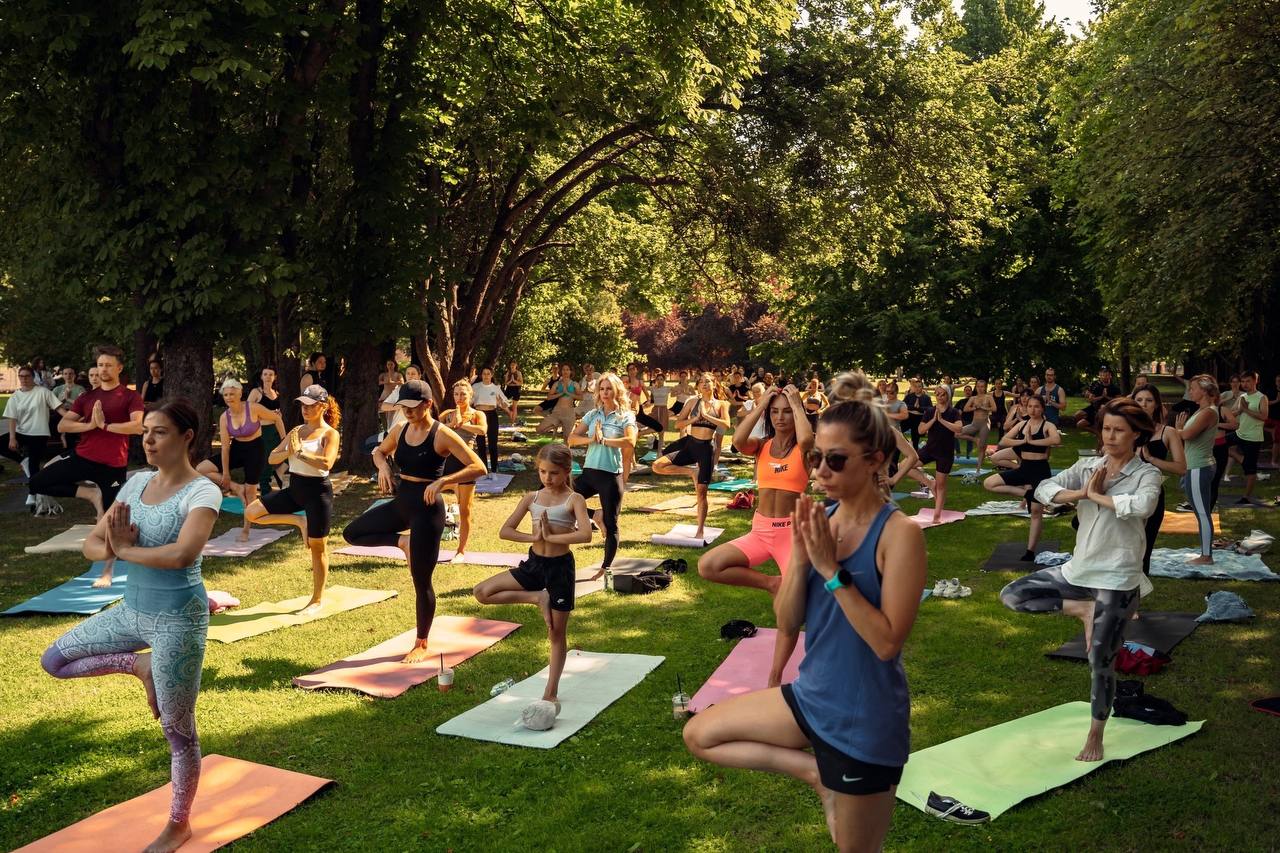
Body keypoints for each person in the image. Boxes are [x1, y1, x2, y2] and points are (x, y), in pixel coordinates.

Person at [683, 398, 926, 849]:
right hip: (811, 695)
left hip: (863, 718)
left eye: (834, 461)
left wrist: (831, 572)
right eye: (816, 459)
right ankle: (816, 773)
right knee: (700, 733)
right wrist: (798, 563)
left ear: (876, 460)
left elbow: (887, 642)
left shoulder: (900, 534)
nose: (819, 473)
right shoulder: (822, 521)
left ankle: (834, 777)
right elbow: (789, 618)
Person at [40, 398, 221, 853]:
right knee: (55, 660)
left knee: (178, 731)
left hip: (179, 619)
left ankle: (179, 824)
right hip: (131, 610)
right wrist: (114, 547)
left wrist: (123, 551)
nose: (149, 440)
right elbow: (92, 545)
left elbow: (182, 554)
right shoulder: (135, 483)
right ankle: (137, 667)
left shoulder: (203, 493)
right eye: (146, 432)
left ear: (186, 437)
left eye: (159, 432)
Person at [1000, 398, 1160, 762]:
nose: (1110, 436)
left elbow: (1141, 507)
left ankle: (1095, 733)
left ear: (1136, 434)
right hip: (1078, 571)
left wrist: (1098, 496)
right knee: (1014, 594)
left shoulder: (1147, 474)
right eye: (1106, 428)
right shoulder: (1089, 465)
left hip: (1117, 579)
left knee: (1101, 661)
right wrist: (1079, 494)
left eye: (1119, 430)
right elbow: (1043, 489)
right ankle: (1084, 609)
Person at [343, 380, 485, 662]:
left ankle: (421, 642)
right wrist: (383, 466)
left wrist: (444, 481)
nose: (406, 412)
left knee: (421, 580)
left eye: (412, 406)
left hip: (428, 510)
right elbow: (379, 451)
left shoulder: (442, 434)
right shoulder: (400, 429)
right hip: (402, 503)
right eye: (403, 406)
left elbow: (477, 466)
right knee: (352, 533)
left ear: (427, 404)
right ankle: (401, 541)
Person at [699, 384, 814, 684]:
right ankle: (771, 584)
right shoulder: (761, 446)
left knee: (789, 613)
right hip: (761, 531)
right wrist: (762, 403)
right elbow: (737, 439)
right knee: (708, 565)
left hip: (792, 534)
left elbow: (807, 438)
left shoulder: (805, 449)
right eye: (775, 412)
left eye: (786, 412)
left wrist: (798, 405)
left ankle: (775, 677)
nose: (780, 417)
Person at [473, 443, 593, 709]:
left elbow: (586, 534)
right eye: (542, 472)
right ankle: (537, 598)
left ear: (566, 472)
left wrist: (554, 536)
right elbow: (506, 530)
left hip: (560, 569)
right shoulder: (531, 498)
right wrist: (535, 537)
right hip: (534, 565)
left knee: (555, 634)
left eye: (553, 473)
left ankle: (551, 690)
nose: (547, 478)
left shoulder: (574, 499)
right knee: (482, 592)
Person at [244, 385, 341, 611]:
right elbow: (271, 458)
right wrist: (289, 451)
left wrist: (299, 453)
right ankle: (299, 521)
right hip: (295, 487)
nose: (305, 409)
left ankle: (316, 599)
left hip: (318, 493)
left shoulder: (330, 434)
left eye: (311, 405)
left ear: (323, 406)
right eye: (303, 405)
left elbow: (327, 463)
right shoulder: (296, 431)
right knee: (252, 512)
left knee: (318, 548)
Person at [33, 345, 144, 518]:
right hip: (84, 458)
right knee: (37, 483)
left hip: (113, 465)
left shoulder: (131, 396)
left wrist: (105, 426)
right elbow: (62, 425)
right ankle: (91, 494)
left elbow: (137, 426)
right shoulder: (86, 398)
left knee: (110, 519)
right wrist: (90, 425)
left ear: (119, 368)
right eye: (100, 365)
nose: (103, 369)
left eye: (108, 365)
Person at [195, 379, 285, 541]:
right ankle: (237, 488)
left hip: (255, 450)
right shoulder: (224, 417)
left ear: (240, 394)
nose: (229, 397)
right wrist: (227, 475)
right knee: (201, 469)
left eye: (232, 394)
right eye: (226, 394)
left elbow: (276, 418)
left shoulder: (254, 408)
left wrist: (284, 441)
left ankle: (246, 530)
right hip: (236, 449)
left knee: (250, 493)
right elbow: (225, 448)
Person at [567, 373, 636, 570]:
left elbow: (630, 441)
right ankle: (594, 515)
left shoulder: (625, 416)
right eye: (602, 389)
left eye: (609, 389)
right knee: (557, 498)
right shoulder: (593, 415)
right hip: (589, 473)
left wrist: (604, 440)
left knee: (611, 524)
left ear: (616, 391)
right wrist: (591, 440)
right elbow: (572, 438)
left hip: (610, 476)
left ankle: (605, 567)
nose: (605, 393)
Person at [653, 373, 731, 540]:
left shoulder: (721, 404)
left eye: (708, 381)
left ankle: (700, 530)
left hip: (706, 449)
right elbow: (678, 423)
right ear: (698, 386)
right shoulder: (691, 402)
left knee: (702, 493)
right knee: (657, 465)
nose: (705, 384)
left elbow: (726, 424)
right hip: (689, 445)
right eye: (701, 382)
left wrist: (707, 416)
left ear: (714, 384)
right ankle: (690, 472)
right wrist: (694, 418)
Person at [984, 395, 1061, 560]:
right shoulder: (1022, 424)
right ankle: (1027, 494)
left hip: (1040, 471)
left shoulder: (1048, 425)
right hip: (1024, 467)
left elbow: (1056, 439)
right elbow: (1005, 440)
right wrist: (1022, 442)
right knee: (989, 483)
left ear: (1042, 409)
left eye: (1037, 407)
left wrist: (1033, 442)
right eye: (1030, 406)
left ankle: (1030, 551)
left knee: (1035, 511)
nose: (1033, 410)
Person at [1134, 386, 1185, 575]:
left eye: (1148, 400)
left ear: (1156, 404)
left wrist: (1152, 459)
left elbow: (1181, 468)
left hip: (1152, 494)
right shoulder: (1125, 428)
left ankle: (1136, 599)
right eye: (1139, 400)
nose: (1143, 404)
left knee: (1144, 551)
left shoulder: (1168, 432)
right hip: (1125, 493)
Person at [1, 365, 68, 502]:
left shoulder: (43, 392)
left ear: (33, 377)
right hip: (22, 432)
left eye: (27, 376)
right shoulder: (15, 396)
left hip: (39, 434)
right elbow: (12, 418)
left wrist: (74, 419)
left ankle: (33, 494)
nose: (24, 379)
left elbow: (60, 409)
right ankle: (22, 460)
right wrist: (12, 438)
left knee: (34, 465)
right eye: (21, 376)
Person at [440, 380, 489, 556]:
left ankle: (460, 551)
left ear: (470, 395)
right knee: (425, 499)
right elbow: (432, 429)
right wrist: (449, 425)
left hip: (466, 465)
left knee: (465, 510)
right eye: (456, 394)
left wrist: (461, 425)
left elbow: (483, 430)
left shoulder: (477, 414)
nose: (459, 397)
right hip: (446, 464)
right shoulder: (447, 414)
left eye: (463, 394)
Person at [1174, 375, 1219, 564]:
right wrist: (1181, 430)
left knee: (1202, 512)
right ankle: (1205, 552)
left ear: (1204, 390)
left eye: (1192, 388)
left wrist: (1178, 429)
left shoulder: (1209, 412)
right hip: (1197, 466)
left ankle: (1206, 556)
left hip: (1199, 467)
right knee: (1201, 512)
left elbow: (1187, 434)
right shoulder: (1201, 410)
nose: (1190, 391)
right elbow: (1185, 434)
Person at [915, 387, 962, 523]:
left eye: (942, 395)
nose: (940, 397)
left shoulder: (953, 412)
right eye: (937, 395)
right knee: (904, 466)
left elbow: (959, 428)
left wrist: (941, 420)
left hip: (945, 453)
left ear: (947, 396)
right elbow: (920, 430)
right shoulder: (930, 411)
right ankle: (930, 483)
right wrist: (934, 420)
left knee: (941, 485)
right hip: (929, 449)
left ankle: (937, 516)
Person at [1227, 371, 1268, 502]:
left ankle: (1246, 497)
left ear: (1255, 381)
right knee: (1218, 443)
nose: (1245, 384)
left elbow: (1263, 416)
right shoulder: (1242, 396)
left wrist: (1246, 410)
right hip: (1239, 433)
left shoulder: (1262, 397)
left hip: (1253, 438)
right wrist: (1238, 410)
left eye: (1248, 381)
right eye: (1243, 381)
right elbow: (1234, 413)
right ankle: (1243, 460)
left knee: (1250, 470)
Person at [248, 366, 285, 494]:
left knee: (286, 453)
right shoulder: (256, 392)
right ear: (261, 376)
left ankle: (278, 473)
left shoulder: (276, 393)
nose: (268, 376)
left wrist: (278, 416)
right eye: (265, 374)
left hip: (275, 429)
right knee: (265, 461)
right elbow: (247, 412)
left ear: (275, 377)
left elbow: (277, 415)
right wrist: (265, 414)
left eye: (271, 374)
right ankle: (265, 489)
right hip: (262, 431)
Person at [471, 367, 512, 472]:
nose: (486, 376)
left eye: (488, 374)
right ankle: (483, 470)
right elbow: (469, 402)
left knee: (493, 443)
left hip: (492, 415)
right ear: (481, 375)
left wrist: (509, 411)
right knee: (480, 444)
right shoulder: (475, 386)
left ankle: (494, 470)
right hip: (479, 415)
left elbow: (504, 404)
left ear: (491, 375)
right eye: (484, 374)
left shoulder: (496, 388)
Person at [536, 363, 581, 443]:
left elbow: (581, 397)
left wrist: (568, 393)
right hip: (557, 412)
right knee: (539, 429)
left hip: (569, 413)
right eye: (563, 369)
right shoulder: (557, 384)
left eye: (567, 370)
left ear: (571, 372)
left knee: (567, 439)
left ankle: (566, 453)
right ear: (561, 371)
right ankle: (557, 424)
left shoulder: (575, 384)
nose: (565, 371)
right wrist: (560, 393)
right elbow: (549, 397)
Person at [960, 378, 995, 469]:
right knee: (957, 433)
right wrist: (974, 408)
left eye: (982, 387)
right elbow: (965, 409)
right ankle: (975, 440)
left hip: (985, 424)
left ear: (985, 387)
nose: (980, 388)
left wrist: (984, 408)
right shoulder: (973, 398)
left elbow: (994, 409)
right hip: (974, 424)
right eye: (978, 386)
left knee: (981, 447)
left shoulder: (989, 397)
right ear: (976, 387)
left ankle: (978, 469)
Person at [1074, 367, 1121, 434]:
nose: (1103, 377)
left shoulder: (1115, 388)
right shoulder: (1096, 385)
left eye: (1106, 375)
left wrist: (1107, 397)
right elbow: (1090, 398)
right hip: (1094, 407)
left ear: (1110, 376)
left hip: (1106, 409)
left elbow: (1118, 400)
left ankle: (1098, 428)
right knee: (1077, 415)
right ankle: (1096, 430)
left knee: (1080, 424)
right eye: (1101, 375)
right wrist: (1100, 396)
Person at [903, 379, 927, 449]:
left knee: (915, 439)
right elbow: (903, 405)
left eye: (919, 386)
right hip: (909, 417)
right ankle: (907, 443)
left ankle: (915, 454)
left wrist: (919, 408)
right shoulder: (909, 396)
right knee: (899, 431)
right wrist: (914, 407)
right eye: (915, 386)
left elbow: (929, 408)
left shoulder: (926, 398)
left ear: (922, 387)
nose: (917, 388)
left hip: (919, 419)